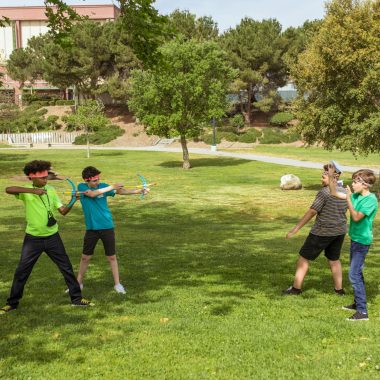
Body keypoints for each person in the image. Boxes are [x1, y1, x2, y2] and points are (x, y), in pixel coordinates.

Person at [0, 160, 93, 315]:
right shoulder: (25, 191)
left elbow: (62, 211)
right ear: (32, 178)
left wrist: (73, 200)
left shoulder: (50, 189)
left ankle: (76, 299)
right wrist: (32, 192)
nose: (45, 180)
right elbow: (8, 189)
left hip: (52, 237)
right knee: (22, 271)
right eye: (42, 178)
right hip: (33, 239)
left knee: (66, 268)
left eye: (46, 178)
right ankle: (12, 303)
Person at [71, 166, 149, 294]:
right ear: (86, 180)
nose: (97, 183)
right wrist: (112, 186)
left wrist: (139, 191)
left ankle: (117, 284)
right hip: (91, 229)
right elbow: (92, 194)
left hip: (107, 226)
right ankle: (78, 284)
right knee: (85, 257)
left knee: (111, 257)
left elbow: (121, 191)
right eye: (94, 181)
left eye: (98, 180)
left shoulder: (104, 186)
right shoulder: (82, 187)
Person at [283, 163, 348, 296]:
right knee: (334, 259)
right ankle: (339, 290)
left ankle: (295, 289)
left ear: (333, 176)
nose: (321, 179)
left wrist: (295, 229)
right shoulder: (345, 192)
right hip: (339, 232)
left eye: (324, 176)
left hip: (321, 232)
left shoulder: (324, 192)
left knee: (303, 257)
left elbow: (312, 212)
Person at [328, 166, 378, 321]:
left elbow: (356, 217)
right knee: (357, 272)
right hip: (355, 239)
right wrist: (331, 178)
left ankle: (362, 312)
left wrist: (349, 198)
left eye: (356, 182)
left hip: (362, 242)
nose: (352, 185)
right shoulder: (356, 196)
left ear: (364, 185)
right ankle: (358, 304)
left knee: (354, 274)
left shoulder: (370, 200)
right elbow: (334, 193)